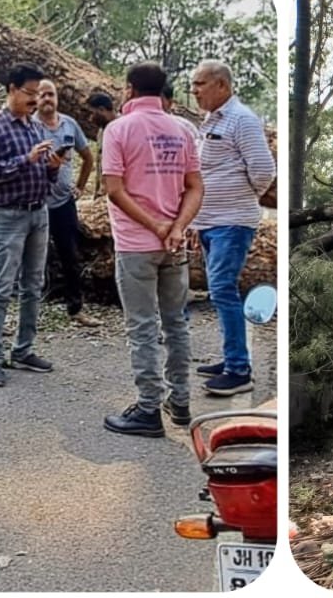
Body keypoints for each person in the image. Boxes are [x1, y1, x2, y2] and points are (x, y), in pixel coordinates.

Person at [101, 62, 203, 436]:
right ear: (162, 93)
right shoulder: (182, 130)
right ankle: (180, 402)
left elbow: (114, 190)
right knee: (176, 324)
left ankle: (147, 410)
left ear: (129, 89)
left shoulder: (118, 130)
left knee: (143, 327)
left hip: (135, 246)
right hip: (174, 246)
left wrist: (157, 226)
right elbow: (195, 186)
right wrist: (176, 227)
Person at [190, 59, 277, 399]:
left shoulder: (242, 120)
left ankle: (239, 371)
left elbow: (263, 170)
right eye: (193, 85)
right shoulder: (211, 120)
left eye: (200, 84)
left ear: (222, 86)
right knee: (218, 291)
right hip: (209, 222)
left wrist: (240, 199)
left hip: (231, 222)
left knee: (224, 289)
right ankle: (230, 359)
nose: (195, 91)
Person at [0, 65, 65, 387]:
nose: (36, 100)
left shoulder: (34, 126)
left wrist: (52, 168)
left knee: (33, 286)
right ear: (12, 89)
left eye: (39, 94)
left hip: (39, 213)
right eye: (30, 93)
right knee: (1, 286)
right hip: (9, 216)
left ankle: (23, 349)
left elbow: (42, 172)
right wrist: (24, 160)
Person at [35, 80, 101, 328]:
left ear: (57, 97)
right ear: (36, 98)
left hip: (64, 203)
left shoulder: (69, 125)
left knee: (70, 256)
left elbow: (87, 157)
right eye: (42, 95)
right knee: (32, 258)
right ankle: (30, 313)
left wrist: (81, 186)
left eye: (50, 94)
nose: (47, 99)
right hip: (36, 203)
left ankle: (76, 309)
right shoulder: (29, 126)